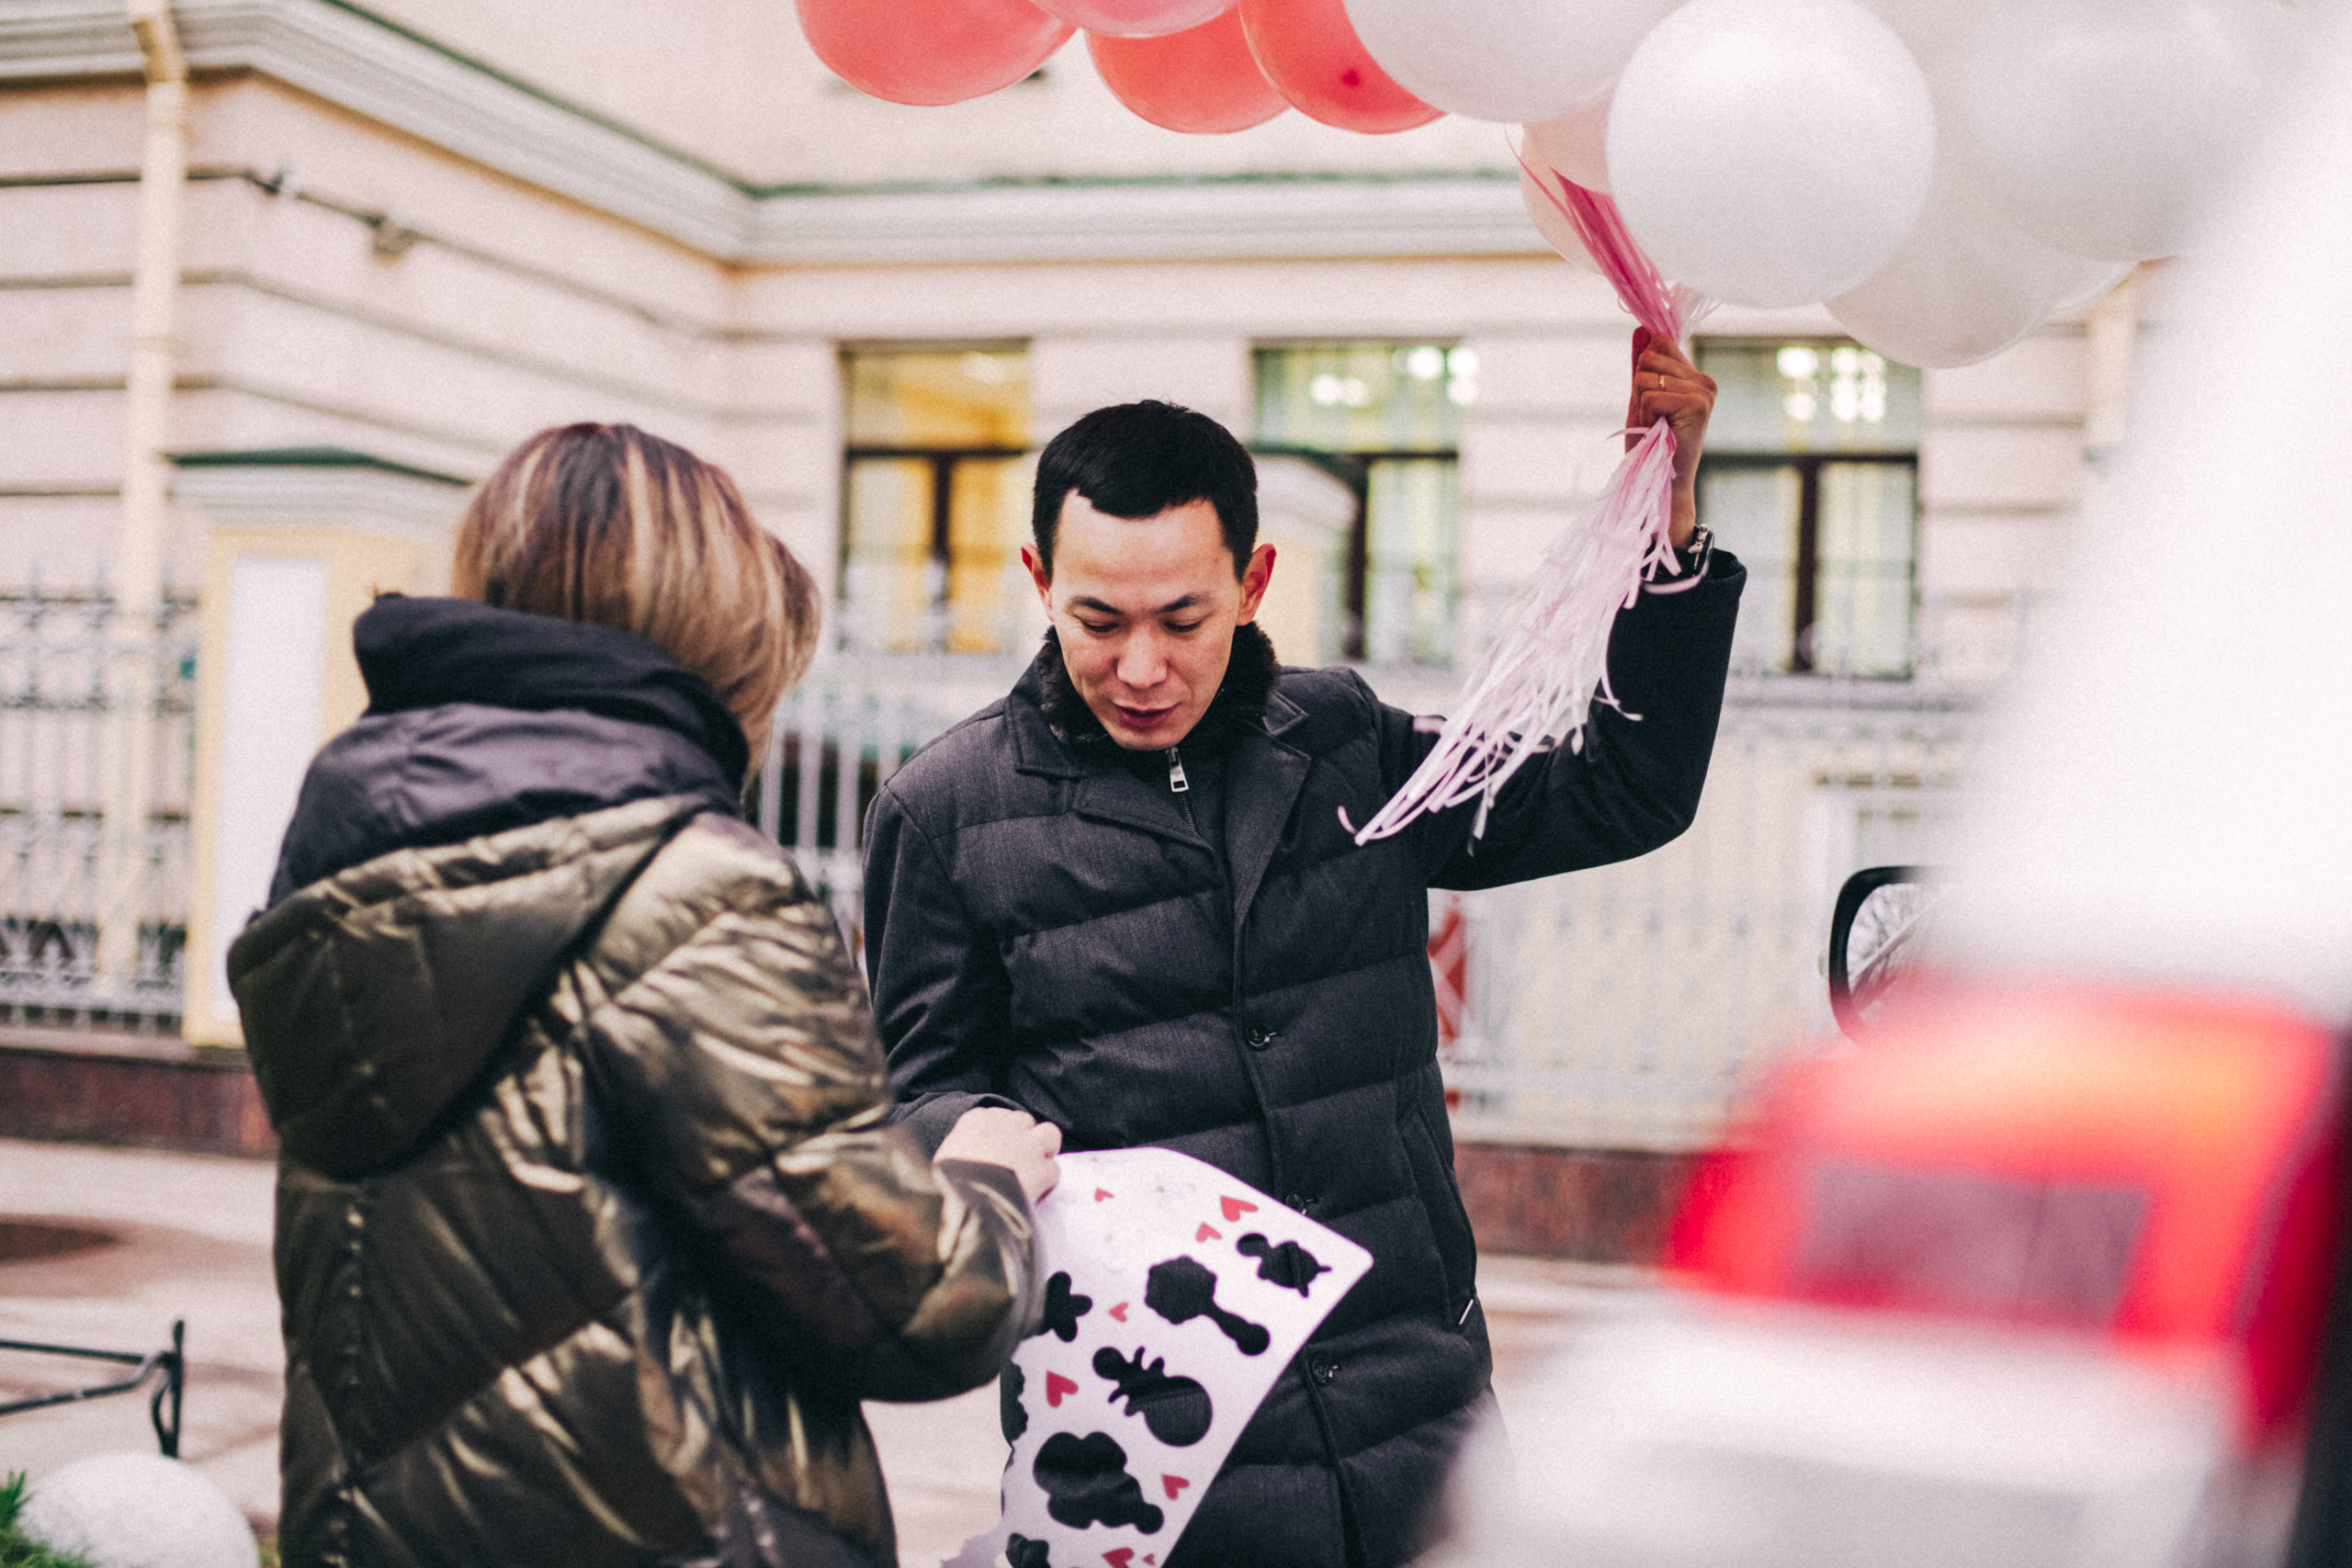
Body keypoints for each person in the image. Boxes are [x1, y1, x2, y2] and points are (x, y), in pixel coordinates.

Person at [862, 333, 1742, 1567]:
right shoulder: (944, 809)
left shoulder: (1345, 743)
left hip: (1418, 1421)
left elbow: (1619, 791)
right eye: (1097, 620)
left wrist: (1667, 530)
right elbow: (916, 1090)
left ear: (1254, 580)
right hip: (1153, 1453)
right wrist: (975, 1137)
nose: (1141, 667)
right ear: (1037, 580)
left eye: (1183, 618)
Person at [228, 423, 1060, 1568]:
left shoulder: (350, 865)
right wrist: (987, 1180)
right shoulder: (694, 894)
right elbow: (914, 1308)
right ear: (720, 639)